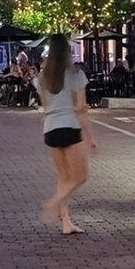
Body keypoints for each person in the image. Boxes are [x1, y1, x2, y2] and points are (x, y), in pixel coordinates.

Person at [32, 33, 94, 235]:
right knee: (80, 176)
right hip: (69, 125)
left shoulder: (42, 77)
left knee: (63, 176)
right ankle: (54, 203)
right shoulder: (75, 74)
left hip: (49, 129)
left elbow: (44, 105)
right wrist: (91, 136)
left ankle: (66, 222)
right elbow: (82, 107)